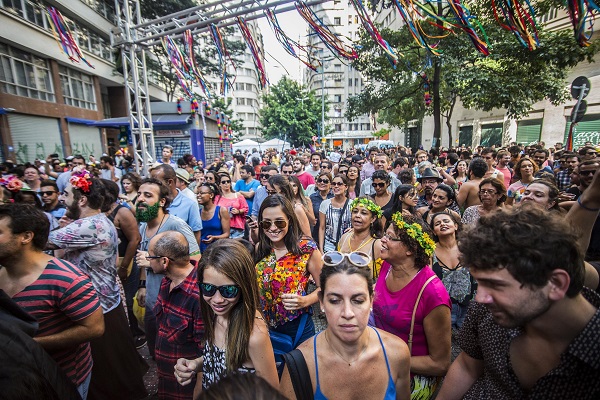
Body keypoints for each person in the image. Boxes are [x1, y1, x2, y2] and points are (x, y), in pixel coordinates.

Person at [436, 207, 600, 400]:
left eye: (495, 285)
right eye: (480, 283)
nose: (480, 298)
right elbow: (467, 365)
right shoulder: (487, 312)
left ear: (555, 283)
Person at [47, 170, 148, 400]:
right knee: (117, 368)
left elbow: (40, 240)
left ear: (82, 200)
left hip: (95, 305)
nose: (62, 199)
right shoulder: (98, 220)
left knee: (104, 374)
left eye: (66, 194)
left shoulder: (87, 226)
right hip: (106, 301)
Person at [0, 204, 104, 399]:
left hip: (60, 377)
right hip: (13, 380)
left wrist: (28, 345)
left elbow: (94, 328)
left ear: (26, 237)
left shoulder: (67, 280)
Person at [279, 252, 411, 400]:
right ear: (322, 302)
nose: (347, 313)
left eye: (358, 300)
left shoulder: (397, 353)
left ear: (371, 301)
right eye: (335, 300)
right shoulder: (300, 365)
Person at [174, 240, 279, 396]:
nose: (217, 300)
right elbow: (222, 360)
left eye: (228, 290)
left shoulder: (254, 335)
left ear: (245, 287)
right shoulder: (216, 313)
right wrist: (196, 364)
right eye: (208, 289)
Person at [373, 213, 451, 399]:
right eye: (385, 234)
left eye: (390, 237)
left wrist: (388, 358)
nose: (382, 240)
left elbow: (440, 364)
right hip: (380, 362)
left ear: (410, 249)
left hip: (410, 378)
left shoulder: (433, 294)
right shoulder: (387, 265)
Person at [135, 178, 201, 360]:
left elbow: (196, 259)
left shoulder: (175, 225)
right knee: (156, 351)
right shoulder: (143, 227)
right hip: (151, 300)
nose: (140, 199)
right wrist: (142, 284)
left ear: (162, 201)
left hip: (173, 304)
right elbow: (144, 257)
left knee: (175, 354)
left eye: (148, 195)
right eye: (139, 194)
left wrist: (155, 263)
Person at [253, 195, 323, 346]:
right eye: (266, 223)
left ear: (290, 221)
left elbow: (327, 286)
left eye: (279, 222)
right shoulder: (261, 248)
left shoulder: (306, 249)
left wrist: (306, 300)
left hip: (297, 327)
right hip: (265, 328)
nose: (272, 228)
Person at [148, 231, 204, 400]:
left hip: (186, 388)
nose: (148, 261)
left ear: (164, 261)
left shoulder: (198, 296)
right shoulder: (167, 281)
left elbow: (207, 352)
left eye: (151, 257)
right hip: (167, 378)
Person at [102, 179, 144, 342]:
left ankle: (135, 333)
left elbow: (135, 239)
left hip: (125, 263)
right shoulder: (98, 212)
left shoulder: (122, 212)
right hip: (107, 266)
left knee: (128, 297)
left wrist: (124, 266)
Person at [430, 212, 476, 331]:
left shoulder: (468, 247)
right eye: (437, 223)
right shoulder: (430, 252)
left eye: (446, 221)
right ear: (434, 231)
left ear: (455, 226)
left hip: (469, 308)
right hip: (442, 309)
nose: (442, 224)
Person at [150, 164, 203, 244]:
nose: (152, 186)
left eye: (157, 182)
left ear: (169, 182)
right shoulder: (151, 202)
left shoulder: (189, 204)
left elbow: (196, 235)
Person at [337, 197, 384, 279]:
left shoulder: (378, 245)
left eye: (364, 213)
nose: (357, 215)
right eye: (355, 211)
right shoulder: (344, 238)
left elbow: (383, 279)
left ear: (373, 219)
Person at [319, 174, 352, 252]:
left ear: (346, 187)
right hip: (329, 245)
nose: (336, 186)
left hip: (347, 244)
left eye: (339, 184)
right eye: (334, 184)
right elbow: (322, 227)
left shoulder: (352, 204)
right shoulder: (325, 204)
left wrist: (353, 229)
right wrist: (321, 249)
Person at [199, 182, 231, 252]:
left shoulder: (221, 210)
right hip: (202, 251)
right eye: (198, 193)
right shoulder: (198, 212)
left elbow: (227, 234)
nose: (199, 195)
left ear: (211, 195)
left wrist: (214, 237)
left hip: (217, 250)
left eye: (202, 193)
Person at [215, 172, 248, 239]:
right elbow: (214, 211)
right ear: (219, 184)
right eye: (223, 182)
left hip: (237, 227)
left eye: (228, 181)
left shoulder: (238, 195)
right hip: (223, 227)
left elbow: (246, 208)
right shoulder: (217, 198)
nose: (226, 183)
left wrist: (238, 211)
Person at [310, 172, 333, 241]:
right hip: (316, 232)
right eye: (320, 180)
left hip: (332, 231)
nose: (322, 183)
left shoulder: (334, 197)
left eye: (325, 181)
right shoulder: (312, 197)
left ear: (330, 184)